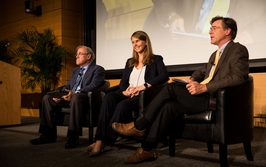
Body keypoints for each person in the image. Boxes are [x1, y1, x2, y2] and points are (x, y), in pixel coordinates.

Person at [112, 16, 249, 163]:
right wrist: (193, 79)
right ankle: (147, 149)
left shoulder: (238, 50)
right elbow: (202, 71)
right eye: (210, 28)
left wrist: (204, 87)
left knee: (171, 88)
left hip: (214, 100)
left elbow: (238, 77)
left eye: (214, 28)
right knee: (168, 107)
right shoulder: (216, 54)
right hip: (204, 96)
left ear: (228, 31)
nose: (210, 31)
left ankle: (139, 125)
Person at [86, 30, 169, 157]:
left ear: (145, 42)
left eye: (137, 41)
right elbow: (123, 82)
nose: (135, 44)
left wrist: (143, 87)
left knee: (122, 106)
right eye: (132, 42)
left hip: (143, 95)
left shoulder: (156, 59)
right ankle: (100, 139)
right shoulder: (130, 61)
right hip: (128, 93)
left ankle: (102, 142)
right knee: (109, 97)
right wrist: (125, 91)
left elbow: (164, 76)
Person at [29, 45, 105, 149]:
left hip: (84, 98)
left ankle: (73, 136)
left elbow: (93, 86)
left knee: (76, 98)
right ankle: (48, 135)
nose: (76, 56)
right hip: (70, 96)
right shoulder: (75, 71)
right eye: (76, 54)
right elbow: (69, 86)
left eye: (80, 54)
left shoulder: (97, 69)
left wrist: (75, 93)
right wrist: (58, 94)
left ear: (88, 56)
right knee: (47, 98)